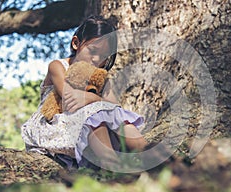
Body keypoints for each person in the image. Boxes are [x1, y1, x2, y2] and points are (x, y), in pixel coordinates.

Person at [21, 16, 148, 169]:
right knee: (95, 111)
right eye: (92, 51)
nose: (96, 59)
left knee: (112, 113)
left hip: (86, 126)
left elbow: (115, 108)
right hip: (54, 126)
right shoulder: (57, 66)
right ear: (76, 43)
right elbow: (69, 99)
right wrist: (95, 100)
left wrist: (92, 97)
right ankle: (112, 164)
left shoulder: (100, 77)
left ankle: (146, 153)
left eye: (103, 56)